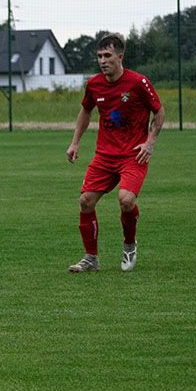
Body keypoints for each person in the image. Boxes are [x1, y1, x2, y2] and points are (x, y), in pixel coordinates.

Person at [66, 33, 164, 273]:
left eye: (107, 55)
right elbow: (86, 111)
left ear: (120, 57)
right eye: (99, 56)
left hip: (133, 154)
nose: (102, 61)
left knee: (126, 201)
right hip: (105, 155)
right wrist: (75, 142)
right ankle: (91, 258)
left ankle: (129, 245)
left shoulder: (138, 82)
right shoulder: (94, 84)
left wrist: (150, 142)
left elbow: (159, 112)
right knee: (85, 201)